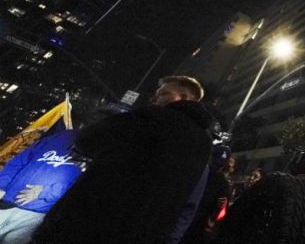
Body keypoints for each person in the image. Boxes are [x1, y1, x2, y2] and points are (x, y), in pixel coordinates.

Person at [32, 75, 213, 244]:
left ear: (182, 98)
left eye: (163, 94)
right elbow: (190, 201)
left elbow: (87, 140)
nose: (154, 99)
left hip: (90, 220)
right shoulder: (203, 143)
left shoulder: (151, 117)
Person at [0, 129, 85, 244]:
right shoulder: (62, 135)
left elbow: (83, 187)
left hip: (36, 215)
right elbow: (21, 159)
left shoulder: (102, 154)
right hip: (6, 201)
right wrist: (2, 184)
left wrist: (44, 192)